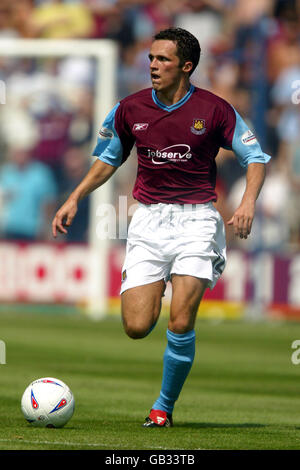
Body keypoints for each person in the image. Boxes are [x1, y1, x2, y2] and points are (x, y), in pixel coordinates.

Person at [52, 27, 270, 427]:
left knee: (181, 320)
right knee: (137, 327)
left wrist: (248, 201)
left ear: (186, 66)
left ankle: (162, 409)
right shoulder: (130, 109)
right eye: (151, 58)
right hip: (148, 221)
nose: (152, 65)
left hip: (197, 220)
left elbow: (254, 156)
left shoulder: (215, 110)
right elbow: (107, 159)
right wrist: (74, 196)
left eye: (163, 59)